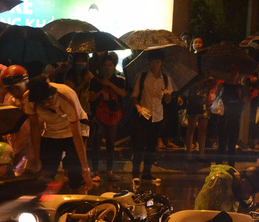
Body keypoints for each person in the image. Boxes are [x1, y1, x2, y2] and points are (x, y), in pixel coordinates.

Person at [23, 75, 93, 193]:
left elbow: (76, 135)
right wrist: (37, 158)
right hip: (51, 130)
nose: (48, 104)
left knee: (75, 173)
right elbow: (35, 128)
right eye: (43, 102)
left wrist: (85, 169)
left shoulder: (66, 95)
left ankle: (78, 200)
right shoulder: (28, 100)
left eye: (49, 99)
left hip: (76, 128)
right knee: (45, 173)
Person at [131, 50, 176, 181]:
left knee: (152, 146)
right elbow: (134, 96)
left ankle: (147, 173)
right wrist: (139, 108)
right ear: (149, 63)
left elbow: (167, 101)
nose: (155, 65)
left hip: (158, 116)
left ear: (161, 63)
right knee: (139, 145)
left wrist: (168, 95)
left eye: (157, 62)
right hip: (143, 114)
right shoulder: (143, 77)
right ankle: (135, 174)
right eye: (152, 62)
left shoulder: (166, 79)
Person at [89, 52, 126, 181]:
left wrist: (110, 85)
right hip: (99, 117)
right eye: (105, 65)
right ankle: (96, 171)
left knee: (111, 144)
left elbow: (123, 94)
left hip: (113, 116)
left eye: (111, 65)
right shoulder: (95, 80)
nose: (108, 67)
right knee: (96, 144)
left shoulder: (119, 80)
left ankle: (110, 171)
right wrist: (100, 92)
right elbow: (91, 97)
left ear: (114, 65)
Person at [0, 65, 36, 170]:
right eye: (9, 89)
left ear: (26, 82)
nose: (13, 91)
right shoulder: (9, 99)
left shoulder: (34, 98)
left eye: (16, 87)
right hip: (16, 147)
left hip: (34, 147)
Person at [194, 165, 259, 213]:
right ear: (244, 181)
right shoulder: (220, 180)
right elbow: (215, 212)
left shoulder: (238, 185)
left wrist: (257, 205)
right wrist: (235, 198)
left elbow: (239, 212)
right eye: (250, 191)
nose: (249, 195)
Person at [217, 66, 244, 166]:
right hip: (223, 117)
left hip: (235, 117)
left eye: (235, 72)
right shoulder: (222, 86)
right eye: (231, 72)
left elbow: (243, 103)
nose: (233, 74)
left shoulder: (240, 88)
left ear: (238, 75)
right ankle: (218, 166)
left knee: (232, 144)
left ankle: (231, 167)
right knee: (222, 143)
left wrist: (240, 95)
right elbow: (217, 99)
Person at [185, 75, 215, 160]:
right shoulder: (193, 74)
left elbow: (212, 85)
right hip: (193, 104)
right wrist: (203, 80)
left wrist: (210, 80)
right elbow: (190, 86)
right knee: (191, 128)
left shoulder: (207, 74)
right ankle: (188, 154)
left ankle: (201, 153)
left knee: (203, 129)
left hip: (204, 104)